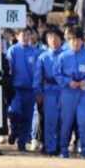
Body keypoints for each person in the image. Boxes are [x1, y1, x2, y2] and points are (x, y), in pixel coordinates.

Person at [58, 28, 85, 159]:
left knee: (83, 121)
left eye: (78, 40)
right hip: (68, 93)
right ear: (68, 41)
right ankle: (63, 150)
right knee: (66, 122)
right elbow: (56, 74)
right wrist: (68, 82)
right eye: (72, 40)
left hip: (83, 93)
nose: (75, 43)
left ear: (82, 41)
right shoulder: (63, 56)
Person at [5, 27, 39, 152]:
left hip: (30, 90)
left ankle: (22, 143)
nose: (26, 38)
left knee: (27, 118)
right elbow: (9, 69)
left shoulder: (34, 52)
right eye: (23, 35)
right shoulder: (13, 50)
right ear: (17, 36)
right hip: (16, 89)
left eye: (28, 35)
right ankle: (13, 131)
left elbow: (37, 72)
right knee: (14, 111)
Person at [34, 27, 65, 156]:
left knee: (63, 121)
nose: (54, 41)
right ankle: (50, 147)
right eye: (51, 38)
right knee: (50, 121)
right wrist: (38, 92)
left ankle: (61, 147)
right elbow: (38, 77)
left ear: (61, 39)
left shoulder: (66, 55)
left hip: (64, 91)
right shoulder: (43, 57)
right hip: (49, 91)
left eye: (56, 38)